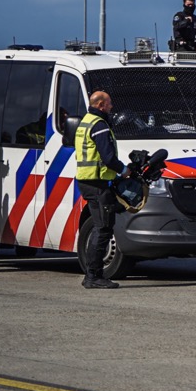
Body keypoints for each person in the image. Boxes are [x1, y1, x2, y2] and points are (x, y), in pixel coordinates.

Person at [70, 90, 121, 288]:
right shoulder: (99, 125)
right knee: (103, 229)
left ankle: (93, 275)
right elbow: (108, 157)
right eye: (109, 104)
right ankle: (93, 276)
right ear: (100, 105)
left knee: (101, 227)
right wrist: (123, 170)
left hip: (88, 181)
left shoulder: (86, 121)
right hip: (97, 183)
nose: (111, 107)